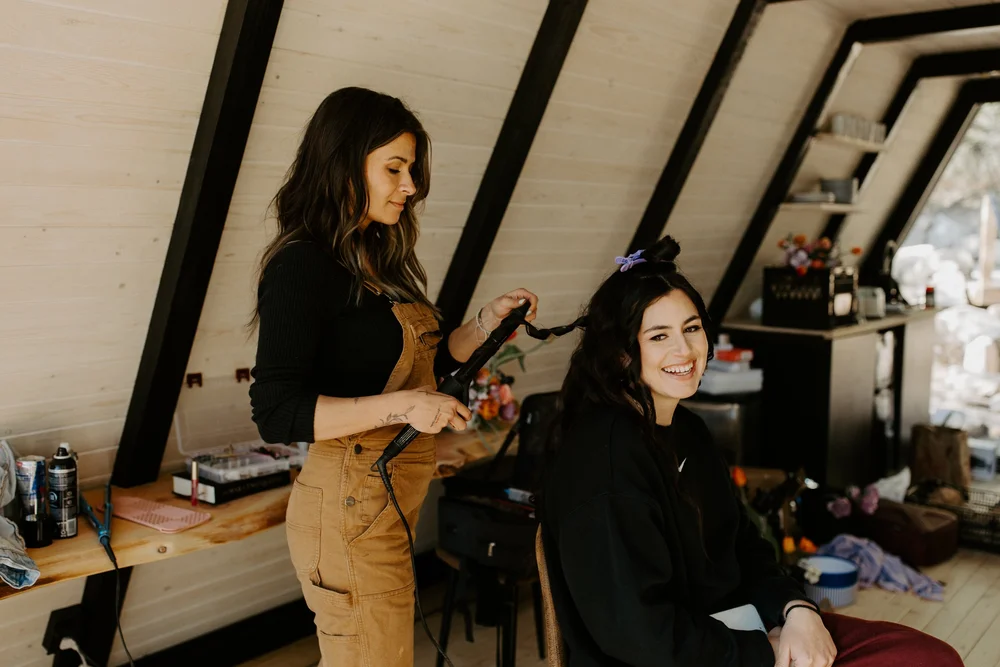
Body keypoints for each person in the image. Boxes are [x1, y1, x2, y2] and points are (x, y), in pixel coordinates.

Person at [541, 236, 963, 667]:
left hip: (741, 629)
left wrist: (794, 609)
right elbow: (639, 634)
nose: (684, 350)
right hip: (692, 656)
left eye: (691, 328)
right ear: (620, 355)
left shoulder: (687, 431)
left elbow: (743, 543)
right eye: (658, 336)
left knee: (929, 658)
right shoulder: (606, 464)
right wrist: (763, 651)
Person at [248, 87, 539, 667]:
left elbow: (429, 370)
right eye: (395, 168)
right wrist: (401, 408)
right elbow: (276, 410)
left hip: (383, 503)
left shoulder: (378, 259)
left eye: (411, 170)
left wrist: (485, 324)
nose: (410, 186)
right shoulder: (301, 265)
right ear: (342, 162)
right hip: (347, 503)